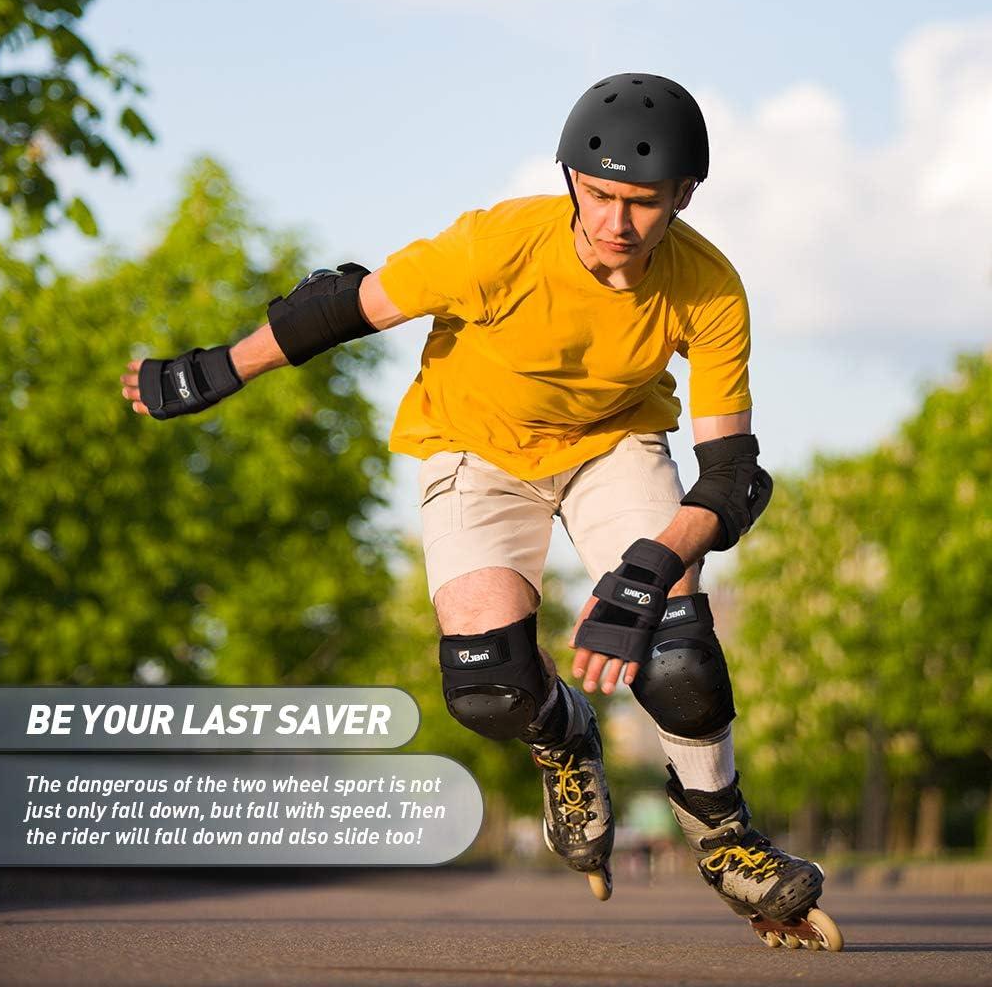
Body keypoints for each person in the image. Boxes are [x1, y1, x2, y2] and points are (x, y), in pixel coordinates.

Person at [121, 72, 842, 950]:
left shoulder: (709, 289)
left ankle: (725, 835)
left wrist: (654, 569)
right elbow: (340, 306)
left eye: (643, 204)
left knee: (678, 652)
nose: (615, 224)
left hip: (613, 446)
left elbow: (731, 476)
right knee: (486, 684)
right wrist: (217, 370)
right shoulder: (497, 246)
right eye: (600, 194)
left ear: (684, 195)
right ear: (570, 177)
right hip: (475, 446)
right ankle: (564, 735)